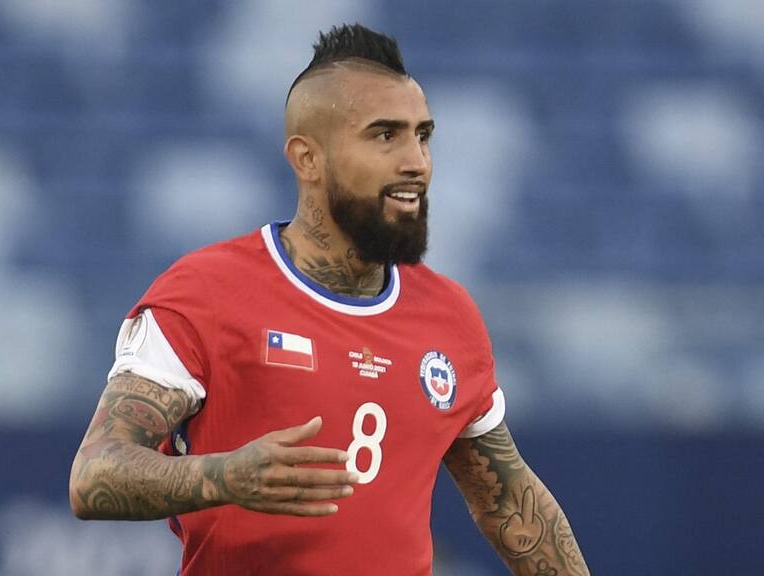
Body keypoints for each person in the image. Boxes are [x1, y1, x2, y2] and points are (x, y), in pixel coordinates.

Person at [69, 23, 590, 576]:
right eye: (384, 135)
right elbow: (95, 474)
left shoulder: (450, 316)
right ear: (307, 159)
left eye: (423, 134)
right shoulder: (203, 294)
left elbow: (510, 505)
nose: (416, 160)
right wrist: (224, 475)